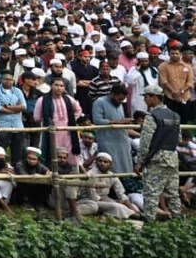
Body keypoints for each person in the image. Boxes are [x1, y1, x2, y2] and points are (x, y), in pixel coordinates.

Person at [136, 85, 183, 222]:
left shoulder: (152, 117)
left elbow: (145, 142)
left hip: (156, 160)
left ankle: (149, 226)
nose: (145, 100)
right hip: (172, 158)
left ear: (154, 97)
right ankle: (178, 224)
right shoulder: (175, 116)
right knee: (173, 194)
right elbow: (178, 139)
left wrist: (140, 161)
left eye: (146, 97)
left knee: (151, 194)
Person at [78, 152, 139, 220]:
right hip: (90, 201)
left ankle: (136, 214)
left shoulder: (111, 175)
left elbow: (121, 194)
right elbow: (93, 197)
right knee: (116, 206)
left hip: (106, 199)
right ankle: (138, 217)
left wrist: (128, 204)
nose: (102, 163)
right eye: (100, 161)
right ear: (95, 162)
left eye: (105, 162)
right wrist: (114, 202)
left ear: (110, 165)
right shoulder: (90, 174)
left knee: (132, 206)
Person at [91, 84, 134, 175]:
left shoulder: (119, 104)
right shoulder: (99, 102)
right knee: (111, 168)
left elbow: (121, 121)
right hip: (108, 141)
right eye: (119, 99)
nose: (121, 101)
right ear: (112, 95)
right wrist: (119, 121)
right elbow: (97, 121)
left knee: (126, 166)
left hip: (122, 140)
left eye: (123, 99)